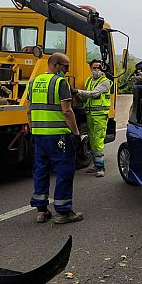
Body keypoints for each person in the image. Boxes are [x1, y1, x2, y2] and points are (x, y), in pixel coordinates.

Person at [26, 52, 83, 224]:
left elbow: (29, 111)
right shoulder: (60, 82)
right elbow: (67, 111)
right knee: (64, 171)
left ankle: (41, 211)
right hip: (58, 136)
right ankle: (63, 212)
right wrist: (76, 133)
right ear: (56, 65)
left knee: (41, 171)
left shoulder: (33, 83)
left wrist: (32, 130)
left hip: (39, 136)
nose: (67, 71)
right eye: (66, 67)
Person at [74, 59, 111, 178]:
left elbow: (94, 94)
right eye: (94, 68)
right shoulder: (89, 81)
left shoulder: (105, 82)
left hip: (100, 115)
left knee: (98, 141)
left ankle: (101, 168)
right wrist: (77, 95)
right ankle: (96, 165)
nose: (96, 70)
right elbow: (86, 98)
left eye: (99, 68)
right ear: (90, 69)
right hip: (90, 115)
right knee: (92, 141)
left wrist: (77, 91)